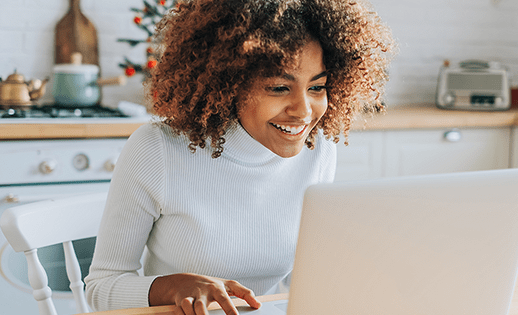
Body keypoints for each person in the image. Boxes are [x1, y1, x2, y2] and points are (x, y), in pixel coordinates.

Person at [84, 0, 393, 314]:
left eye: (317, 87)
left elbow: (307, 280)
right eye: (278, 87)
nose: (303, 111)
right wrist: (175, 287)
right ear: (229, 84)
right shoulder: (158, 150)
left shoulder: (319, 150)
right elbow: (100, 289)